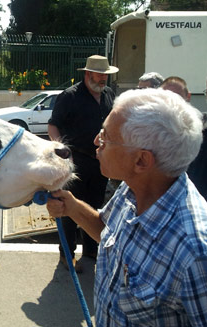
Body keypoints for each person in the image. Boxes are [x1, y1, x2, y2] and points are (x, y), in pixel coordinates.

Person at [47, 88, 207, 326]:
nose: (96, 142)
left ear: (141, 160)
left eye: (105, 136)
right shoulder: (132, 187)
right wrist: (72, 207)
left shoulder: (195, 253)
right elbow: (106, 230)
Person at [48, 55, 119, 272]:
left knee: (96, 207)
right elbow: (53, 127)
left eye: (106, 76)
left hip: (99, 161)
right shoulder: (69, 96)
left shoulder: (108, 94)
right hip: (75, 161)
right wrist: (62, 152)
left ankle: (91, 250)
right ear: (88, 74)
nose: (103, 80)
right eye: (100, 76)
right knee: (69, 209)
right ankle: (67, 255)